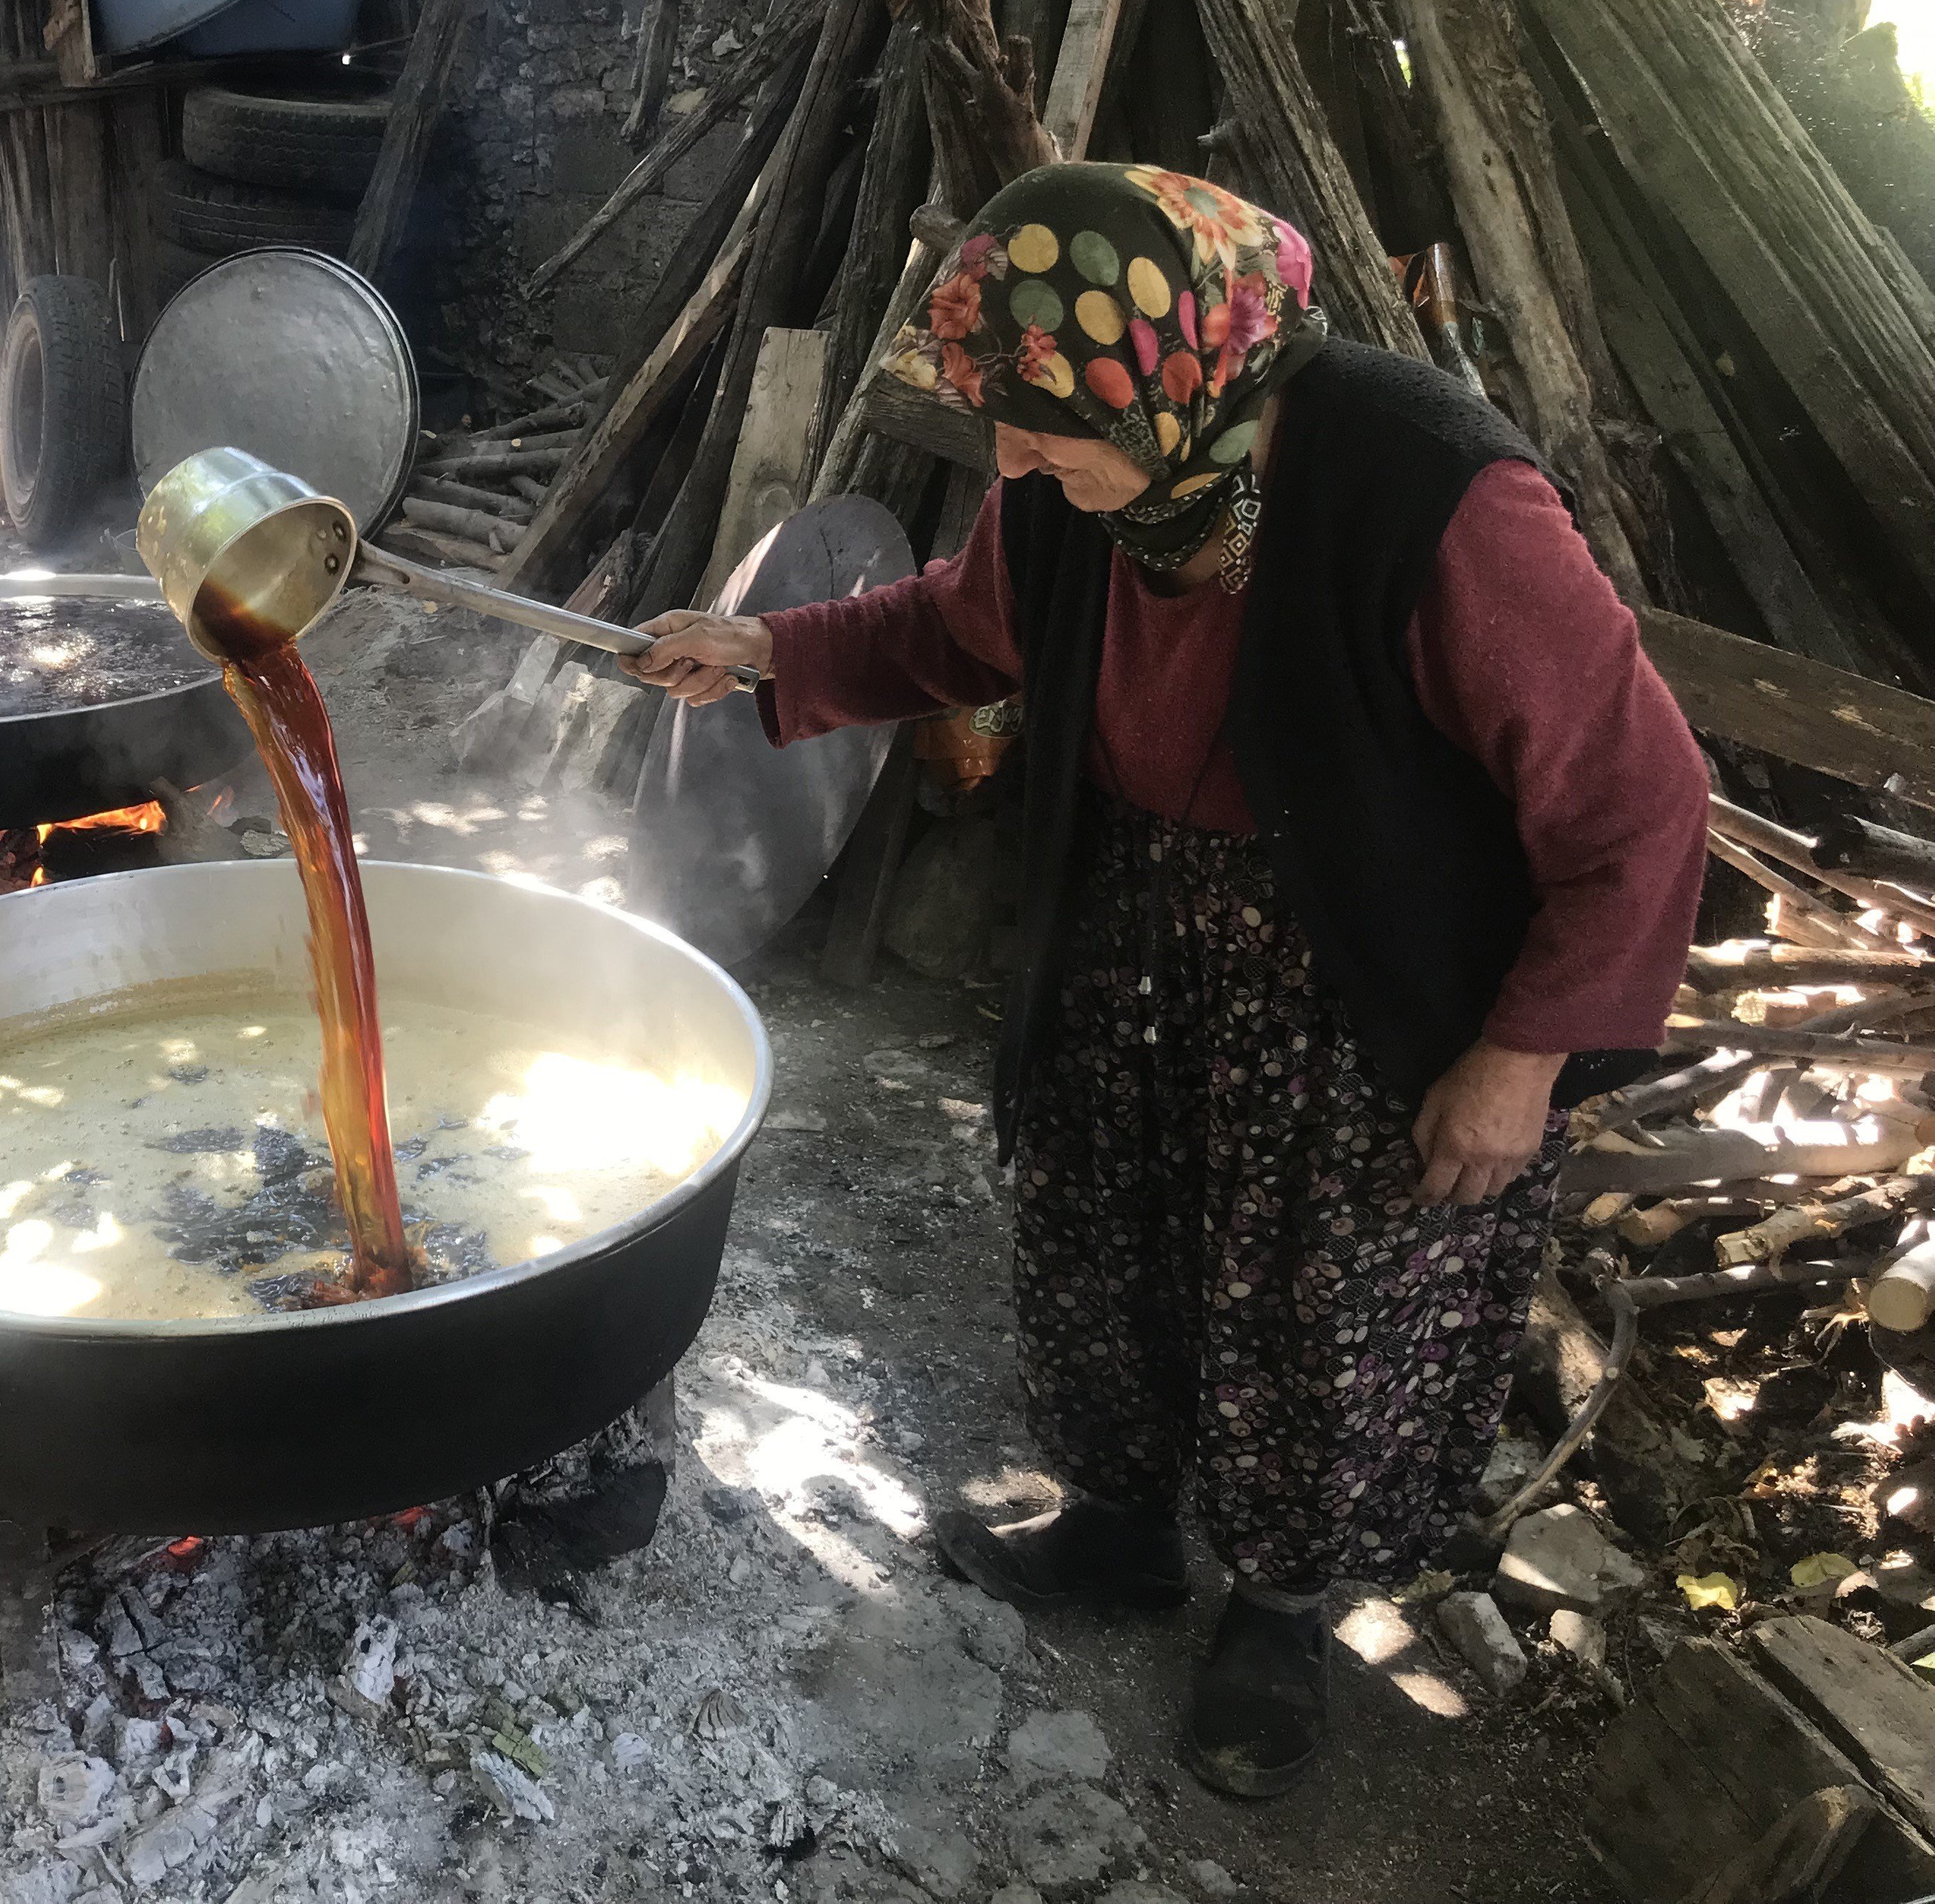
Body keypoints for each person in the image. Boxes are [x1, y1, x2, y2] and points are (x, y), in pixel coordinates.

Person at [621, 164, 1707, 1799]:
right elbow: (969, 629)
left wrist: (1523, 1055)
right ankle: (1123, 1529)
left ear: (1176, 369)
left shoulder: (1431, 496)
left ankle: (1278, 1613)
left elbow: (1639, 800)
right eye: (998, 420)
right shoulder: (1090, 473)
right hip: (1136, 912)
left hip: (1357, 964)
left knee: (1316, 1306)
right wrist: (776, 649)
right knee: (1097, 1223)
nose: (1011, 458)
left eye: (1040, 421)